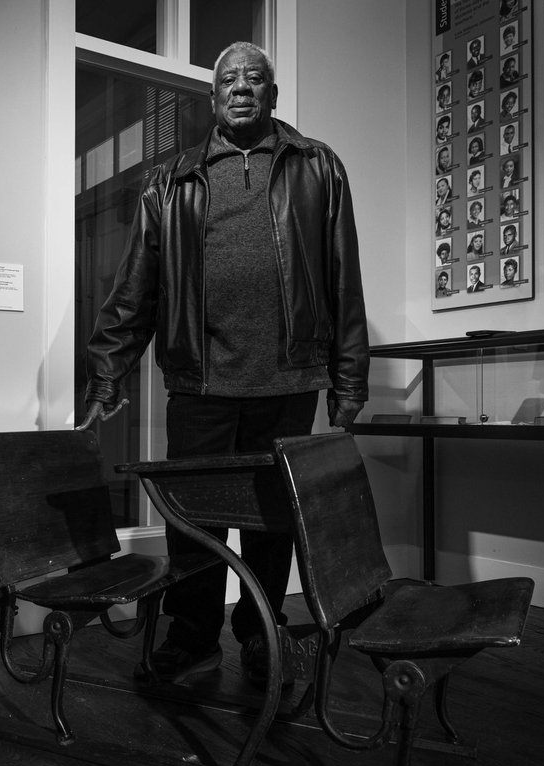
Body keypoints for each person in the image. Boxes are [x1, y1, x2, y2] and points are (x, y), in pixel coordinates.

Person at [80, 42, 370, 686]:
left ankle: (262, 634)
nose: (241, 86)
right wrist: (108, 371)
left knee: (273, 524)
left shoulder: (318, 168)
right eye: (228, 79)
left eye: (255, 78)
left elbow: (344, 279)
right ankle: (193, 637)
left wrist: (350, 383)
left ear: (272, 94)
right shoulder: (171, 180)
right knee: (194, 522)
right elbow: (136, 288)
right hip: (200, 382)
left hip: (289, 380)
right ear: (213, 99)